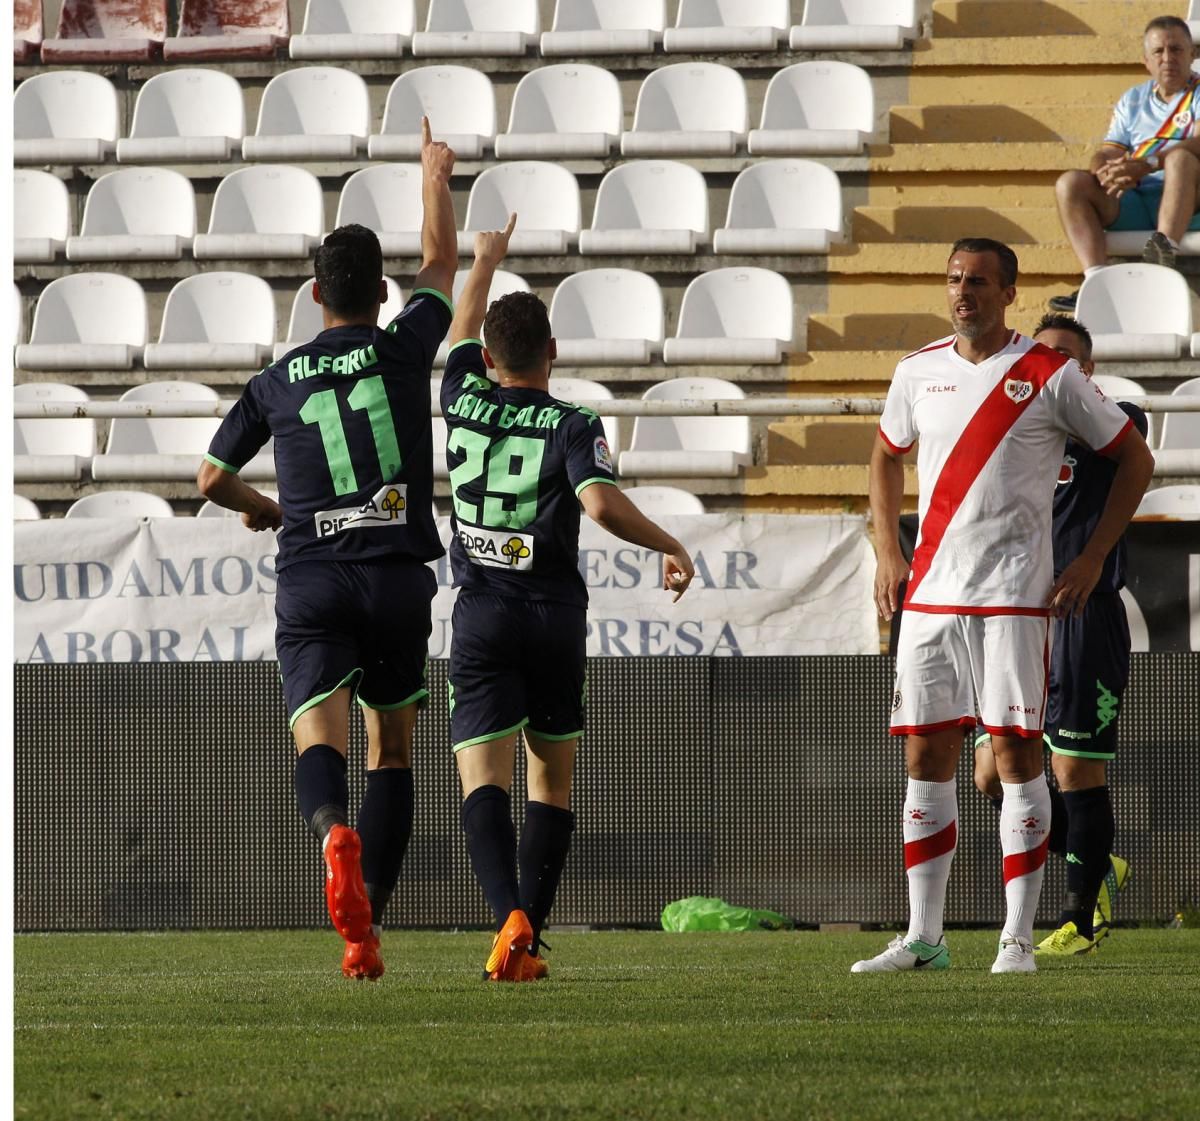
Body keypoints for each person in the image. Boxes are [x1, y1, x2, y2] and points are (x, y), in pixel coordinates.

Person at [196, 119, 458, 981]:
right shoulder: (403, 346)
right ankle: (366, 928)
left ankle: (328, 832)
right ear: (381, 293)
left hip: (312, 575)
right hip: (395, 578)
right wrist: (432, 175)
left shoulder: (275, 380)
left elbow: (207, 477)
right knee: (393, 749)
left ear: (314, 295)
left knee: (323, 738)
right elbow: (443, 266)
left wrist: (263, 507)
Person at [856, 237, 1154, 975]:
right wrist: (888, 551)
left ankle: (1016, 939)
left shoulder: (1047, 373)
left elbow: (1135, 458)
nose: (965, 292)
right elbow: (885, 453)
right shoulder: (916, 370)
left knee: (1019, 759)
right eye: (955, 279)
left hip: (1015, 600)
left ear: (1008, 292)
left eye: (980, 282)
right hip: (929, 598)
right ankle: (925, 935)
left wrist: (1089, 558)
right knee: (926, 757)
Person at [441, 215, 695, 982]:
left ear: (489, 358)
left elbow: (457, 331)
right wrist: (671, 545)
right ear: (552, 353)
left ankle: (504, 916)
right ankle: (529, 936)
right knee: (551, 776)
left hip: (481, 613)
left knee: (483, 777)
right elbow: (600, 504)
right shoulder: (573, 422)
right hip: (552, 614)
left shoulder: (460, 395)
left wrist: (483, 261)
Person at [973, 314, 1144, 955]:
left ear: (1087, 371)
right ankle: (1093, 860)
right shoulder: (1008, 430)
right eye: (1042, 356)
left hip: (1081, 617)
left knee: (1074, 770)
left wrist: (1092, 556)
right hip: (1014, 618)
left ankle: (1081, 916)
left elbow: (1132, 447)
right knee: (993, 773)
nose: (1053, 367)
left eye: (1067, 359)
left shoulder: (1115, 420)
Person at [1051, 15, 1200, 312]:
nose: (1167, 58)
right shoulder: (1133, 99)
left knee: (1181, 159)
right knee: (1071, 183)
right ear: (1146, 61)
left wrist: (1148, 162)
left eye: (1176, 49)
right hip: (1137, 197)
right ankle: (1096, 281)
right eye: (1159, 52)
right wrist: (1105, 171)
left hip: (1190, 199)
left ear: (1193, 55)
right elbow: (1109, 150)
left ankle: (1162, 258)